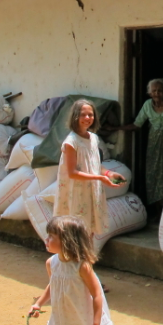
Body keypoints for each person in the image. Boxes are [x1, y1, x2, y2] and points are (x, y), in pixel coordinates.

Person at [29, 215, 115, 325]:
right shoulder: (51, 263)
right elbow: (53, 285)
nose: (46, 239)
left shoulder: (81, 267)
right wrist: (38, 303)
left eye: (51, 236)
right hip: (61, 320)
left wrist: (96, 324)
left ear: (66, 241)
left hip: (82, 321)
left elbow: (97, 294)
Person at [112, 78, 163, 206]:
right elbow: (137, 125)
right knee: (153, 174)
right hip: (154, 144)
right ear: (150, 93)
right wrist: (116, 128)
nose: (157, 93)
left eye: (160, 91)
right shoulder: (147, 105)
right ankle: (158, 211)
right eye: (154, 91)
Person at [56, 99, 124, 237]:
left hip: (91, 191)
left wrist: (109, 174)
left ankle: (85, 257)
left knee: (90, 229)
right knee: (77, 231)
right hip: (77, 192)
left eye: (91, 115)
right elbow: (72, 173)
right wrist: (100, 178)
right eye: (83, 115)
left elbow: (94, 165)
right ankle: (75, 258)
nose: (87, 118)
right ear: (75, 117)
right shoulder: (71, 142)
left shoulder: (93, 138)